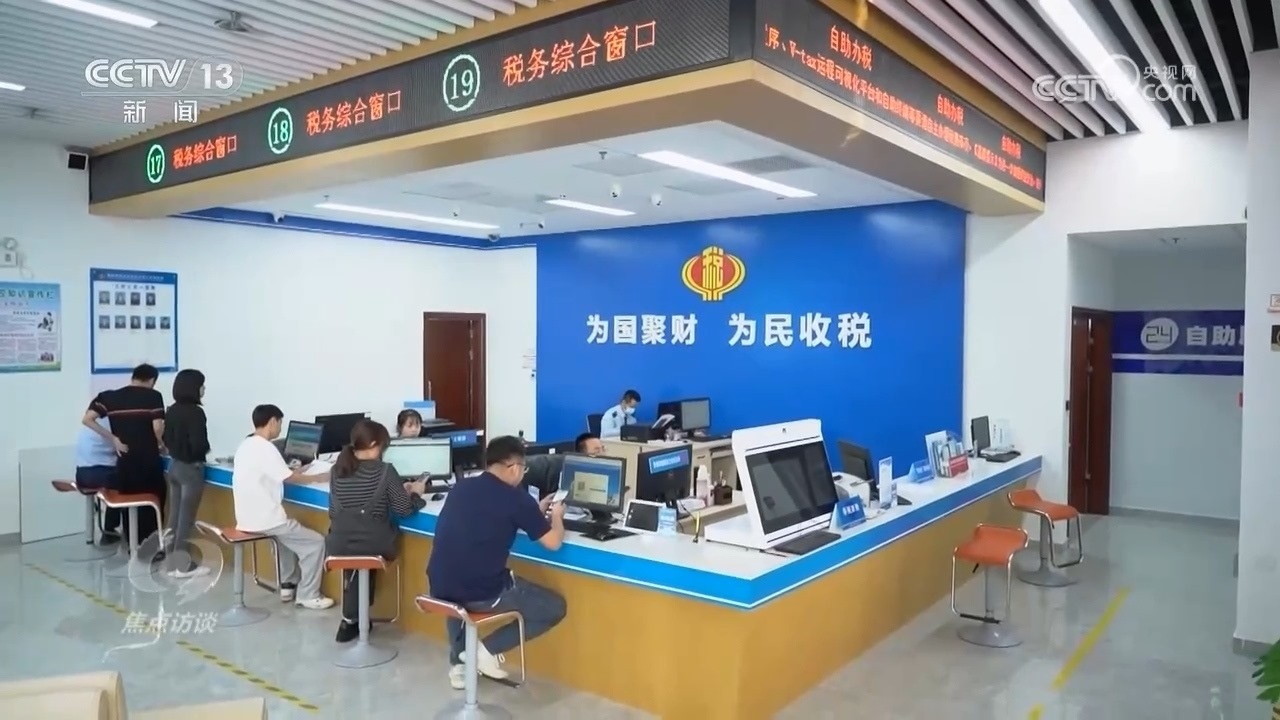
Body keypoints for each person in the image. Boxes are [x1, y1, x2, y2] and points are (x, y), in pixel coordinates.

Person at [427, 435, 568, 689]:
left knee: (458, 589)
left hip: (438, 586)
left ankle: (460, 665)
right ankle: (485, 651)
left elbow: (489, 516)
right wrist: (556, 515)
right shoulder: (517, 499)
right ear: (513, 468)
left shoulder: (461, 487)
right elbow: (554, 542)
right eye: (523, 469)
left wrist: (534, 512)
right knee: (555, 608)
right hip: (483, 593)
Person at [327, 419, 427, 642]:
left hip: (337, 546)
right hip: (375, 545)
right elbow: (404, 510)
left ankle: (351, 620)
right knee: (368, 545)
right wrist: (416, 494)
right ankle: (356, 619)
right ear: (374, 445)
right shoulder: (385, 471)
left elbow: (333, 512)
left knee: (355, 554)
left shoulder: (336, 470)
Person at [231, 404, 334, 610]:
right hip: (266, 520)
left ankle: (288, 585)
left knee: (286, 539)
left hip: (246, 518)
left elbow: (279, 472)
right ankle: (308, 594)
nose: (280, 428)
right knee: (315, 544)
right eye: (280, 423)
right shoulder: (266, 447)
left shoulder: (246, 445)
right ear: (272, 422)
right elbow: (289, 478)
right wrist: (320, 477)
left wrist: (301, 470)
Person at [83, 363, 166, 543]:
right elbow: (157, 427)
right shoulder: (153, 396)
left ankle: (131, 542)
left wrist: (113, 438)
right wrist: (161, 443)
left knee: (129, 503)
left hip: (125, 460)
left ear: (133, 377)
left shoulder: (109, 396)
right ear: (152, 380)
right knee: (152, 501)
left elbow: (87, 419)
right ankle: (151, 544)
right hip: (148, 460)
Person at [162, 369, 211, 578]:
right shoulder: (196, 413)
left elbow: (166, 438)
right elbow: (199, 444)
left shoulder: (172, 410)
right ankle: (183, 566)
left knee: (173, 518)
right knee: (186, 520)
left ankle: (170, 563)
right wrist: (205, 450)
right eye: (201, 385)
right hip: (191, 469)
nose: (204, 389)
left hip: (174, 467)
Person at [74, 416, 121, 545]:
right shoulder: (113, 423)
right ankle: (113, 530)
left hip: (81, 474)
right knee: (128, 480)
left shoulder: (95, 422)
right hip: (98, 473)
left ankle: (110, 530)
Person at [522, 432, 606, 498]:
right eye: (597, 451)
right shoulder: (570, 478)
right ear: (582, 457)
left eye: (603, 449)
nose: (603, 454)